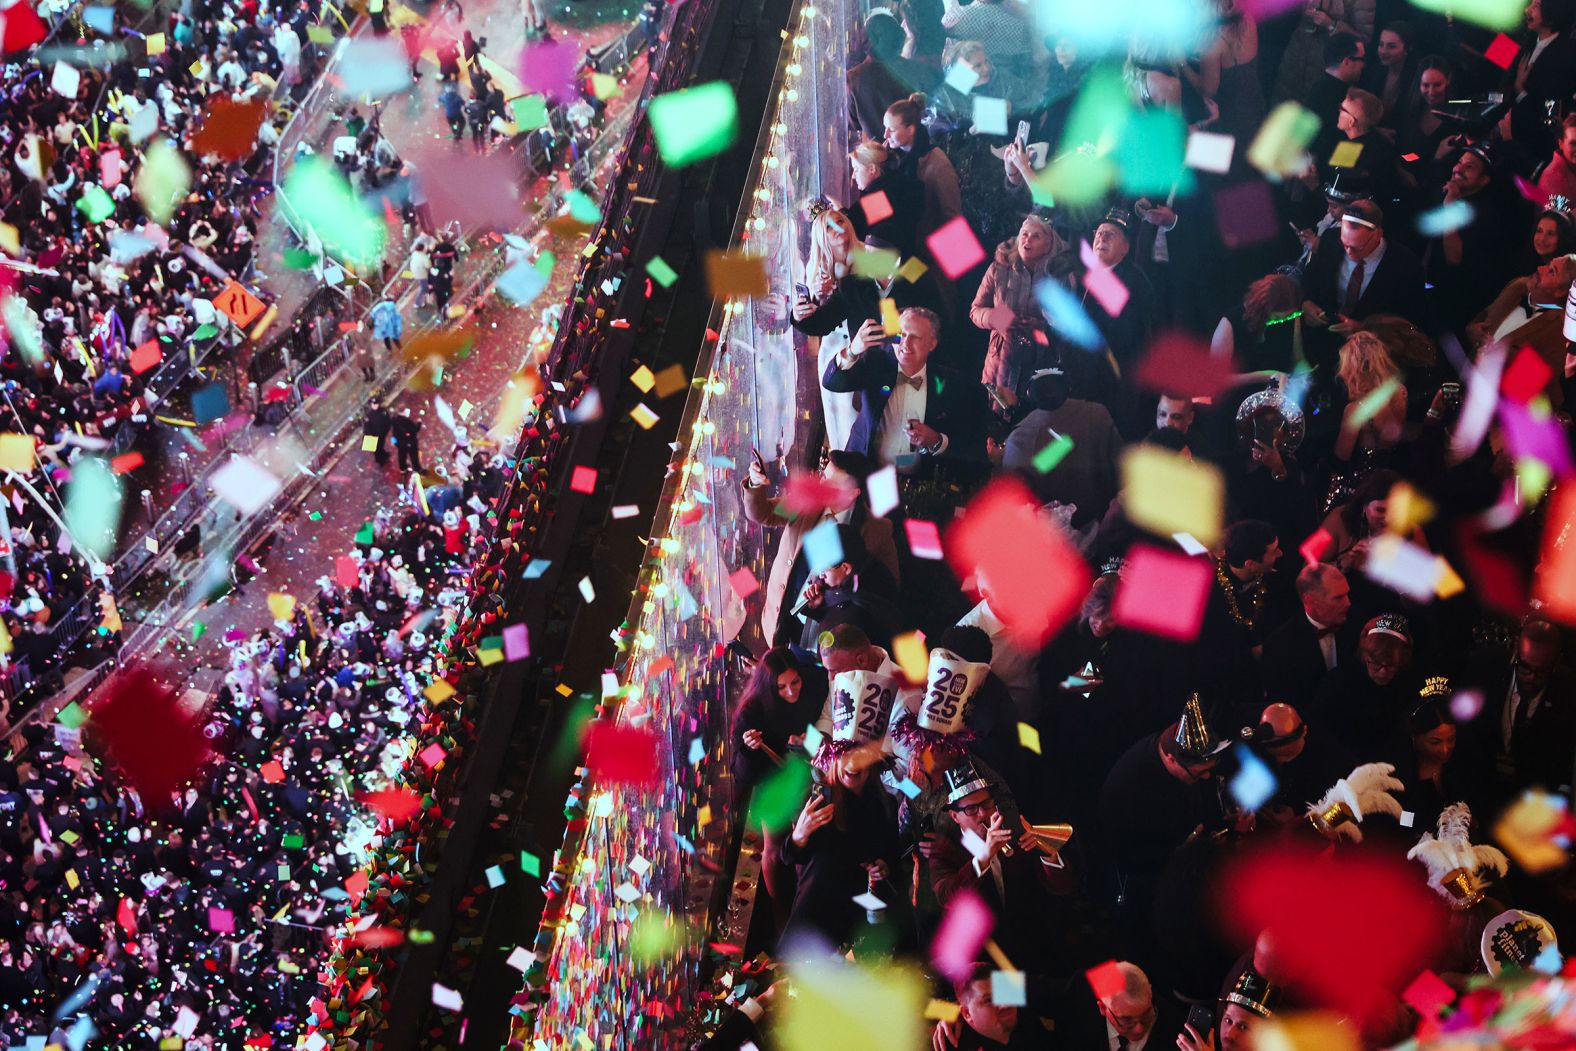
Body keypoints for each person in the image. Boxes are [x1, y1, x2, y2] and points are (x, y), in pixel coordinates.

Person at [743, 448, 900, 647]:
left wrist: (839, 590)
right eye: (824, 476)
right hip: (779, 619)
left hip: (825, 639)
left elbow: (885, 593)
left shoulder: (877, 531)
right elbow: (763, 513)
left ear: (853, 493)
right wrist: (755, 484)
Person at [821, 306, 987, 472]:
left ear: (932, 344)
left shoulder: (950, 384)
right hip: (865, 471)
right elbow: (831, 382)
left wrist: (936, 440)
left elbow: (970, 443)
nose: (905, 344)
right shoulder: (875, 363)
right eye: (901, 335)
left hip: (917, 484)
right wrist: (852, 350)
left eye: (915, 338)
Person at [1459, 615, 1576, 803]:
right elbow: (1466, 735)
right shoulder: (1485, 669)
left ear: (1556, 664)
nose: (1530, 677)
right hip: (1481, 788)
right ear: (1515, 652)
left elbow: (1563, 760)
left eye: (1540, 672)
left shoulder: (1568, 692)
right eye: (1524, 667)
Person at [1000, 370, 1122, 528]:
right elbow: (1121, 471)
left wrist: (997, 462)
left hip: (1045, 541)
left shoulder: (1018, 438)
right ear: (1068, 387)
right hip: (1099, 531)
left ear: (1030, 394)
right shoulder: (1099, 414)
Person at [972, 214, 1066, 408]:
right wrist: (997, 318)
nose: (1027, 240)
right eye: (1024, 234)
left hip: (1038, 363)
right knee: (994, 421)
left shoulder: (1059, 278)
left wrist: (1041, 327)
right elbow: (975, 311)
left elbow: (1066, 326)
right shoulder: (998, 269)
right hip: (998, 362)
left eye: (1035, 236)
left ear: (1048, 245)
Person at [1309, 614, 1421, 762]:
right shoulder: (1338, 684)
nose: (1383, 672)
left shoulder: (1407, 683)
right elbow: (1321, 734)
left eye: (1391, 666)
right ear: (1364, 654)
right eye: (1375, 663)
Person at [1301, 199, 1426, 330]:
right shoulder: (1331, 239)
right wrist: (1307, 302)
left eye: (1357, 247)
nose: (1348, 253)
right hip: (1325, 330)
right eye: (1345, 244)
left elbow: (1410, 317)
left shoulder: (1406, 265)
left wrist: (1364, 328)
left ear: (1378, 234)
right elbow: (1311, 275)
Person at [1260, 562, 1353, 713]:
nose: (1348, 603)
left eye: (1347, 594)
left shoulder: (1356, 624)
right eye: (1338, 598)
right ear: (1310, 600)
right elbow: (1284, 707)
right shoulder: (1279, 646)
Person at [882, 93, 962, 245]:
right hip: (895, 247)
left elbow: (953, 219)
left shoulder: (938, 165)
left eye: (891, 129)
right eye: (885, 128)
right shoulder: (887, 156)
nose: (885, 135)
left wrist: (947, 267)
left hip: (925, 255)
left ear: (911, 129)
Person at [845, 139, 925, 256]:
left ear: (872, 169)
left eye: (856, 169)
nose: (853, 176)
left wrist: (815, 209)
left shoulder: (881, 199)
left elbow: (846, 227)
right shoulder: (895, 186)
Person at [1534, 114, 1576, 202]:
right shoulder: (1552, 178)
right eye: (1573, 144)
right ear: (1561, 144)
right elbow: (1558, 215)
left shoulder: (1572, 167)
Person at [390, 408, 423, 473]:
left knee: (402, 455)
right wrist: (419, 423)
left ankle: (403, 468)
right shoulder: (407, 421)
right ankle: (417, 468)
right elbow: (414, 430)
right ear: (403, 412)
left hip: (400, 443)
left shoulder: (394, 420)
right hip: (410, 442)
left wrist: (393, 441)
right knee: (414, 455)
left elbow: (394, 431)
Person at [363, 396, 392, 467]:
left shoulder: (383, 411)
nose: (375, 406)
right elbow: (366, 427)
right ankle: (380, 460)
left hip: (382, 434)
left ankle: (383, 454)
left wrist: (386, 430)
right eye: (373, 404)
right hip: (373, 435)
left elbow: (388, 421)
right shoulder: (369, 415)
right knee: (376, 449)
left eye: (376, 404)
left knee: (381, 445)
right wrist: (370, 435)